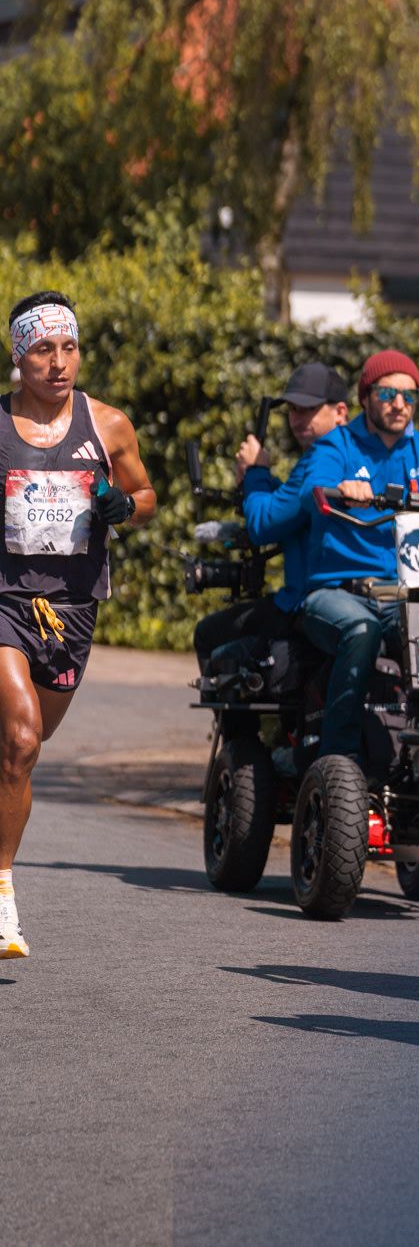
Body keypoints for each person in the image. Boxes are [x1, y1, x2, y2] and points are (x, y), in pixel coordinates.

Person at [0, 291, 156, 959]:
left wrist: (126, 506)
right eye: (43, 349)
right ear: (19, 357)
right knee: (20, 739)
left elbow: (146, 495)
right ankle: (3, 896)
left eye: (69, 347)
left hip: (72, 611)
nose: (59, 363)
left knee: (21, 754)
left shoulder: (109, 424)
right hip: (5, 600)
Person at [290, 350, 419, 759]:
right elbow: (311, 489)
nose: (399, 404)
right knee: (360, 630)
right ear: (365, 397)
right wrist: (342, 489)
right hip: (338, 594)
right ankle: (339, 759)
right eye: (387, 394)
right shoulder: (337, 445)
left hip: (402, 597)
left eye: (410, 396)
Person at [193, 363, 350, 671]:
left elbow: (264, 525)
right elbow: (291, 503)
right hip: (327, 598)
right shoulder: (347, 452)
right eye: (292, 409)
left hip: (305, 602)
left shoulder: (323, 457)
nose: (298, 418)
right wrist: (261, 480)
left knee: (208, 635)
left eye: (308, 409)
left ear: (340, 412)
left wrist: (256, 471)